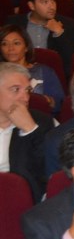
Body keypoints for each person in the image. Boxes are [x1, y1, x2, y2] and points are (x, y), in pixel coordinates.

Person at [0, 62, 53, 201]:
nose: (25, 98)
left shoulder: (41, 122)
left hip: (23, 202)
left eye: (27, 90)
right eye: (15, 89)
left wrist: (30, 130)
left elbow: (50, 173)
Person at [5, 0, 74, 75]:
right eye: (44, 2)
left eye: (53, 0)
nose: (51, 6)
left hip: (51, 78)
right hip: (16, 74)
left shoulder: (68, 24)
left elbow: (71, 64)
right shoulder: (14, 23)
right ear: (32, 5)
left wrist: (59, 33)